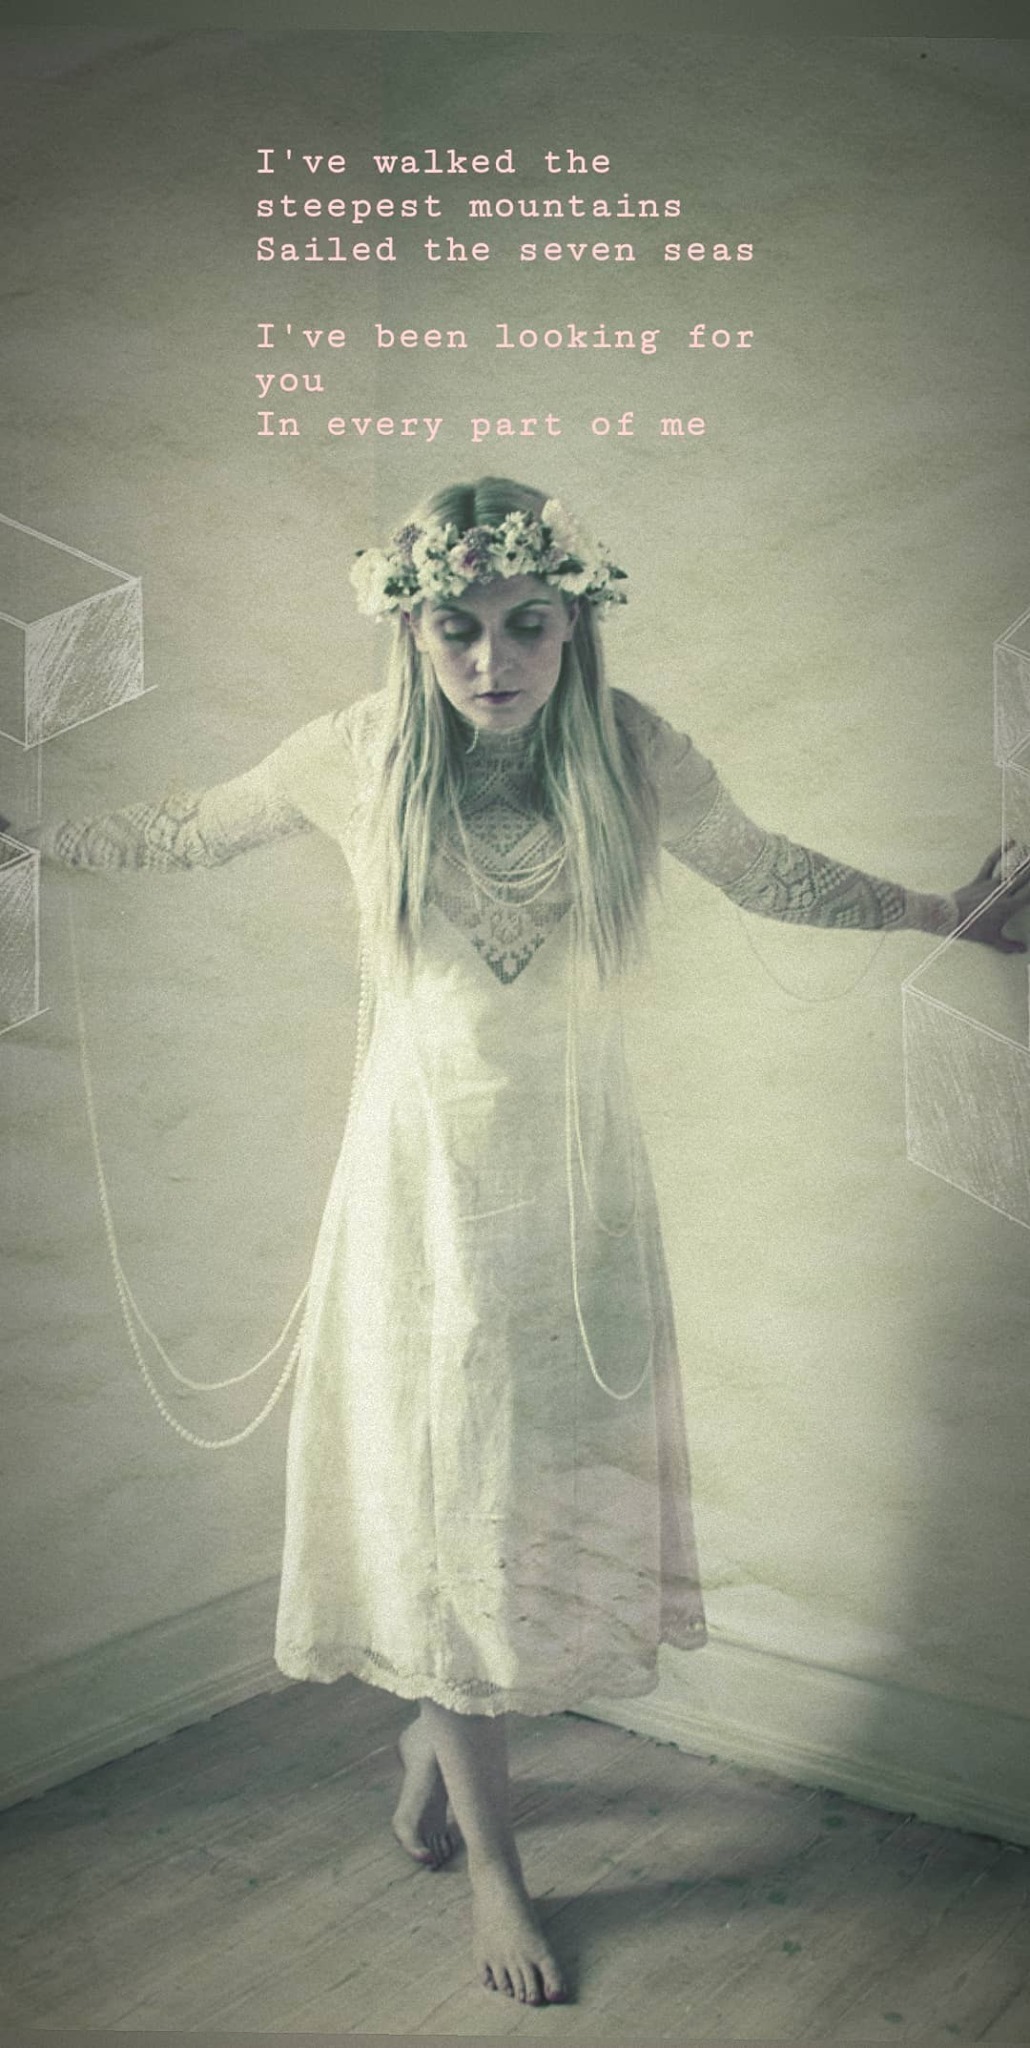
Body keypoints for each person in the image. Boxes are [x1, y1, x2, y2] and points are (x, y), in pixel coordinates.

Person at [19, 477, 1030, 2008]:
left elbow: (762, 865)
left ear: (575, 624)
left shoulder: (628, 749)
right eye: (457, 628)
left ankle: (435, 1743)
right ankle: (496, 1865)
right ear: (410, 630)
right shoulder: (353, 754)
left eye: (526, 626)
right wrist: (27, 831)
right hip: (418, 1190)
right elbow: (185, 829)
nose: (492, 660)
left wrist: (939, 909)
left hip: (576, 1189)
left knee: (538, 1493)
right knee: (448, 1493)